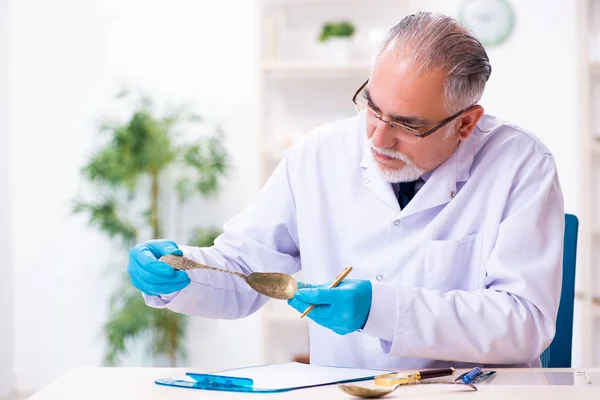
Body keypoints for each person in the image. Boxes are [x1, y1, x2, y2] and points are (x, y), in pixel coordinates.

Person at [127, 12, 564, 370]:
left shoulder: (521, 165)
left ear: (465, 123)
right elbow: (244, 269)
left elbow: (524, 324)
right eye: (373, 107)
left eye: (408, 125)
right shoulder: (320, 153)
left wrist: (385, 310)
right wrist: (182, 270)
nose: (377, 139)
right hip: (343, 392)